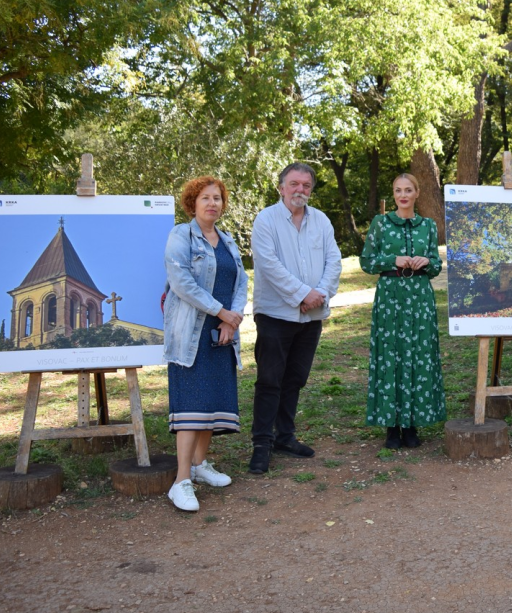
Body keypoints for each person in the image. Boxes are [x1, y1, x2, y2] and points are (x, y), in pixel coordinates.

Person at [249, 163, 342, 474]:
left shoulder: (322, 221)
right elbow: (268, 265)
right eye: (294, 184)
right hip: (275, 314)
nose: (300, 190)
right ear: (281, 187)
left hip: (311, 316)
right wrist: (302, 294)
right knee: (269, 380)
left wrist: (319, 294)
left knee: (295, 379)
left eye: (306, 185)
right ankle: (262, 443)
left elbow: (334, 261)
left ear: (311, 190)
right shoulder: (266, 220)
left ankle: (285, 437)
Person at [163, 176, 248, 512]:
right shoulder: (180, 235)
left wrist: (232, 320)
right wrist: (221, 312)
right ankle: (180, 482)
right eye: (205, 198)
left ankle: (199, 466)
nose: (212, 203)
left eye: (217, 198)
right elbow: (181, 282)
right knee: (191, 405)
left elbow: (241, 282)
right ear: (192, 203)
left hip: (223, 331)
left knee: (211, 401)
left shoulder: (227, 240)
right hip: (191, 334)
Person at [360, 174, 447, 449]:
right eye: (398, 190)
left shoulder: (428, 226)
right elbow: (366, 261)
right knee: (391, 355)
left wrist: (426, 262)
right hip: (390, 295)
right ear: (394, 194)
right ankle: (391, 426)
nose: (403, 195)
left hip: (420, 296)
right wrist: (393, 260)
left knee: (418, 354)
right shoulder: (381, 223)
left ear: (417, 193)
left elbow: (436, 266)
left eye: (408, 190)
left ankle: (411, 425)